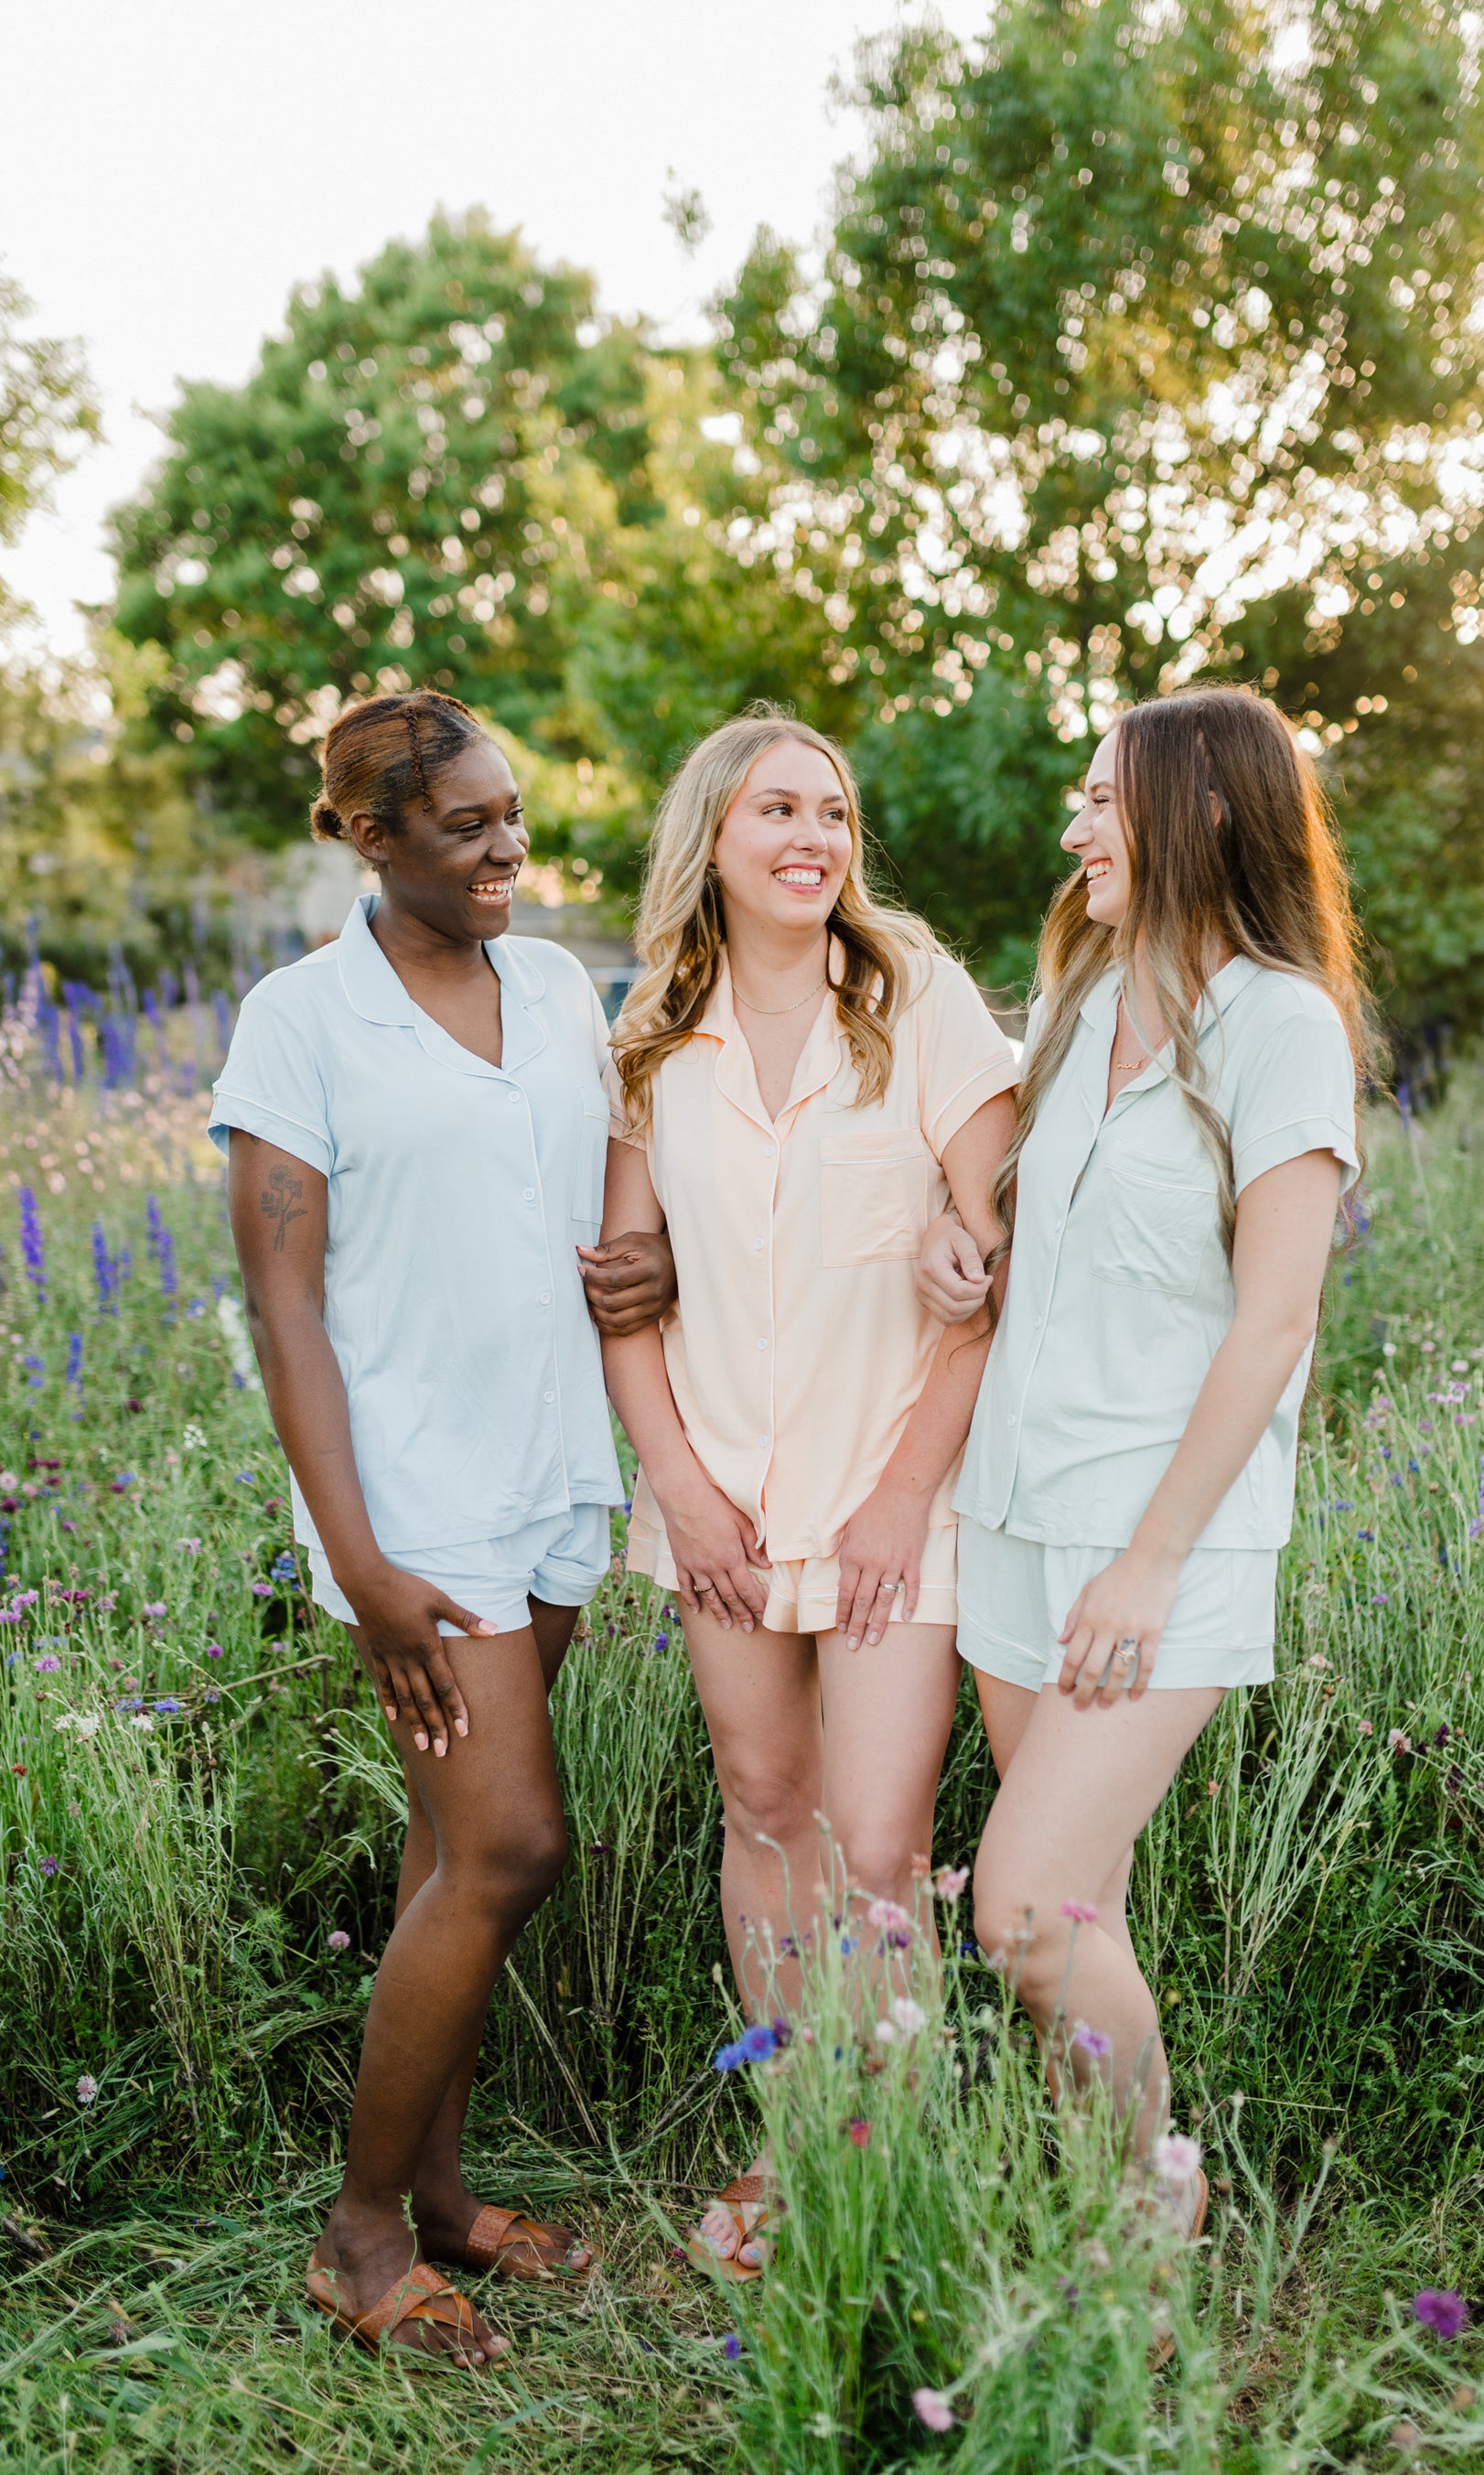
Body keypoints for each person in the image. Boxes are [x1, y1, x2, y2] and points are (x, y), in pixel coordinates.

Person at [210, 690, 675, 2370]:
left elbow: (611, 1186)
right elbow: (286, 1312)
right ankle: (354, 2237)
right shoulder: (301, 1020)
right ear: (366, 837)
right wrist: (363, 1564)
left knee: (443, 1856)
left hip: (552, 1477)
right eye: (466, 825)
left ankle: (440, 2193)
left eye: (513, 814)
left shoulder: (555, 986)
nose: (508, 850)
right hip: (413, 1506)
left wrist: (656, 1258)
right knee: (512, 1845)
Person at [918, 686, 1374, 2228]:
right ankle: (1091, 2217)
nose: (1074, 829)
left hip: (1158, 1536)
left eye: (1103, 801)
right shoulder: (1081, 1001)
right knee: (1076, 1910)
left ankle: (1152, 2211)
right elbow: (1010, 1211)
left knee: (1021, 1907)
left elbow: (1277, 1319)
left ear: (1207, 812)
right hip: (1017, 1512)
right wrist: (955, 1238)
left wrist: (1152, 1559)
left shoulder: (1281, 1023)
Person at [598, 707, 1018, 2278]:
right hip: (720, 1492)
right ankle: (790, 2135)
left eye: (833, 814)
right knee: (763, 1811)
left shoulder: (916, 1000)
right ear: (711, 833)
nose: (813, 840)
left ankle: (883, 2143)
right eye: (778, 809)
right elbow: (625, 1291)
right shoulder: (653, 1032)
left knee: (878, 1837)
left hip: (895, 1491)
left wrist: (907, 1496)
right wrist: (683, 1491)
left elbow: (996, 1261)